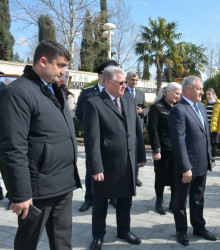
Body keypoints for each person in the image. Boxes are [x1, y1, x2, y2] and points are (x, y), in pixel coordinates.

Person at [0, 40, 81, 250]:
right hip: (37, 190)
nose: (64, 72)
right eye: (61, 65)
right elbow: (12, 147)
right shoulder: (18, 92)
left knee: (63, 243)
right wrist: (20, 193)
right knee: (28, 243)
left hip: (63, 183)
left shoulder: (55, 89)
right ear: (43, 61)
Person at [83, 66, 146, 249]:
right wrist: (96, 168)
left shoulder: (127, 99)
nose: (124, 86)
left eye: (125, 83)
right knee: (101, 202)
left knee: (126, 199)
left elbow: (136, 131)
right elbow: (91, 140)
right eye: (121, 83)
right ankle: (98, 236)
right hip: (106, 164)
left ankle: (124, 230)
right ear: (108, 83)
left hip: (128, 162)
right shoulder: (94, 103)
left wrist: (141, 155)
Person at [168, 76, 217, 246]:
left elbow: (206, 135)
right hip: (186, 167)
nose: (202, 92)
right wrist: (185, 167)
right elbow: (179, 142)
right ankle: (181, 231)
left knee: (198, 198)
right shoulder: (179, 110)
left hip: (202, 163)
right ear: (188, 90)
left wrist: (210, 157)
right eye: (199, 89)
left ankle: (199, 227)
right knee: (180, 202)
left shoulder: (201, 107)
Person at [75, 59, 118, 212]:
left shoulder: (118, 92)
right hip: (94, 139)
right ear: (102, 75)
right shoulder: (88, 92)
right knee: (91, 168)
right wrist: (92, 127)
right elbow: (79, 114)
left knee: (112, 168)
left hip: (112, 139)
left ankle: (112, 196)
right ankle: (89, 198)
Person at [148, 82, 182, 215]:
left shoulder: (179, 107)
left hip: (177, 149)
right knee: (161, 176)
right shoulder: (156, 107)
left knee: (176, 176)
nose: (178, 97)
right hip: (163, 149)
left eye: (180, 94)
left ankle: (173, 202)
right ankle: (159, 201)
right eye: (176, 93)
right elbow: (153, 130)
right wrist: (156, 150)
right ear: (168, 91)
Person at [125, 71, 148, 187]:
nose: (134, 82)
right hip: (126, 128)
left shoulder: (140, 93)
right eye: (132, 80)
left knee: (138, 153)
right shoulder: (122, 91)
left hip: (138, 127)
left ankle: (136, 177)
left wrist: (142, 112)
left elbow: (146, 108)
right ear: (127, 80)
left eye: (136, 80)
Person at [203, 88, 220, 166]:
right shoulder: (205, 103)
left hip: (214, 129)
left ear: (213, 94)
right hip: (205, 128)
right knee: (206, 143)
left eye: (209, 94)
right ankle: (206, 159)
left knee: (213, 144)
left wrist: (219, 130)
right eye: (207, 94)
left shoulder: (219, 104)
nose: (208, 96)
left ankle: (213, 160)